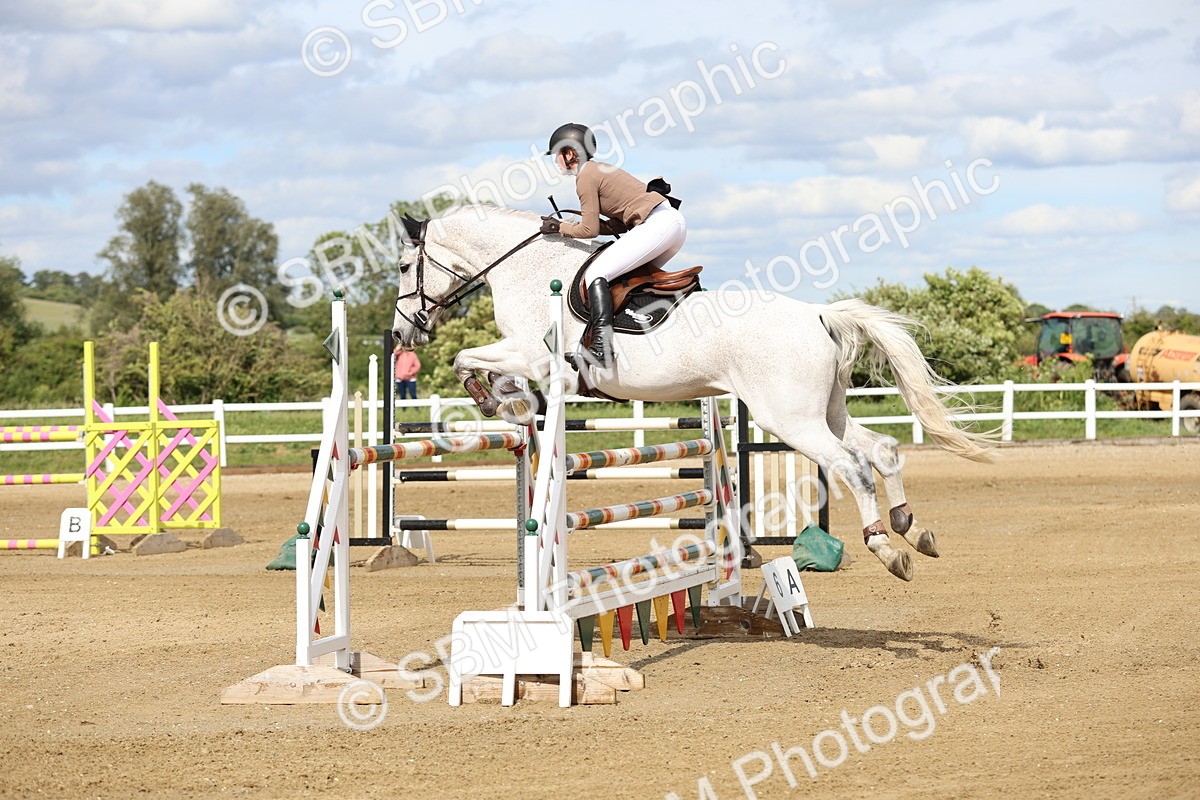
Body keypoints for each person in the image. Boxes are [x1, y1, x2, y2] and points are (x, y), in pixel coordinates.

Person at [540, 122, 686, 367]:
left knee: (596, 273)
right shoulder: (599, 170)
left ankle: (601, 348)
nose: (556, 161)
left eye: (557, 155)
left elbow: (589, 230)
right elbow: (617, 225)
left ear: (570, 153)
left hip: (658, 225)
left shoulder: (586, 175)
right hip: (670, 225)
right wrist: (573, 226)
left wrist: (559, 228)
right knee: (624, 280)